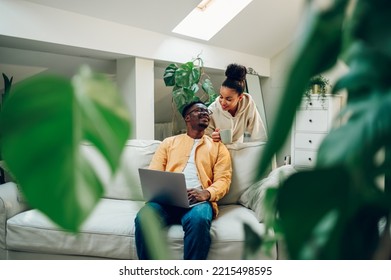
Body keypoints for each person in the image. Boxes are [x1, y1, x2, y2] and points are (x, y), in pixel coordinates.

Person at [134, 101, 232, 260]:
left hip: (198, 202)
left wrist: (207, 193)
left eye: (207, 111)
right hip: (166, 201)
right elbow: (154, 171)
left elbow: (224, 179)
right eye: (199, 110)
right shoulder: (169, 142)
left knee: (199, 220)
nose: (205, 113)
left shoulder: (219, 147)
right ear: (187, 117)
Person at [206, 63, 268, 143]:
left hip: (238, 150)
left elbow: (259, 134)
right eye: (221, 96)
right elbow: (205, 138)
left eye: (228, 99)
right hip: (219, 151)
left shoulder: (248, 105)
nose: (223, 102)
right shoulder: (212, 110)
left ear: (240, 97)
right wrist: (212, 137)